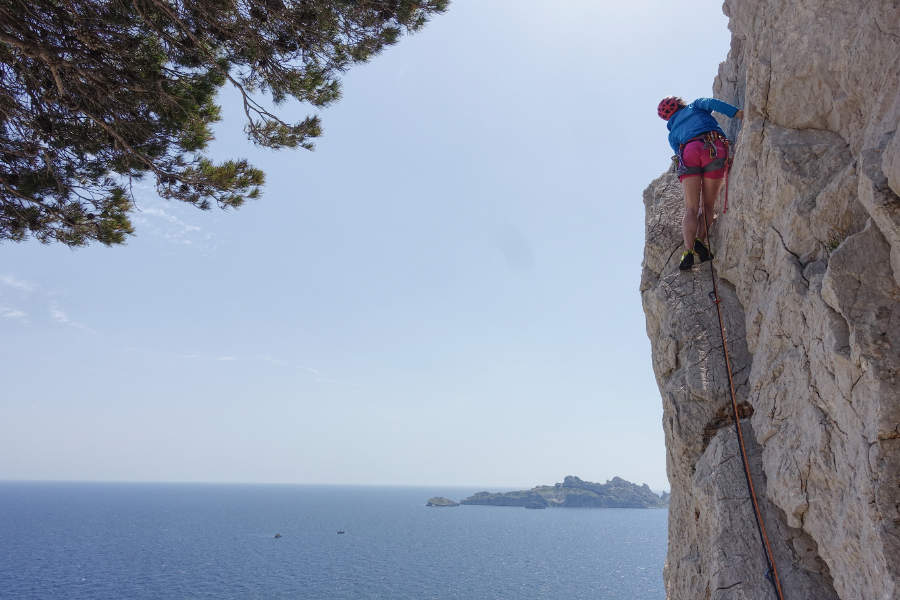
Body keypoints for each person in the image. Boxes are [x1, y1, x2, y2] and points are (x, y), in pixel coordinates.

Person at [657, 96, 744, 270]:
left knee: (691, 208)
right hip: (712, 147)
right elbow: (713, 104)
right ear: (680, 103)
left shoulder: (672, 134)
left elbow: (678, 153)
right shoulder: (695, 105)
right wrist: (738, 114)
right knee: (708, 205)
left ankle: (688, 252)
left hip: (688, 155)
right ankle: (700, 241)